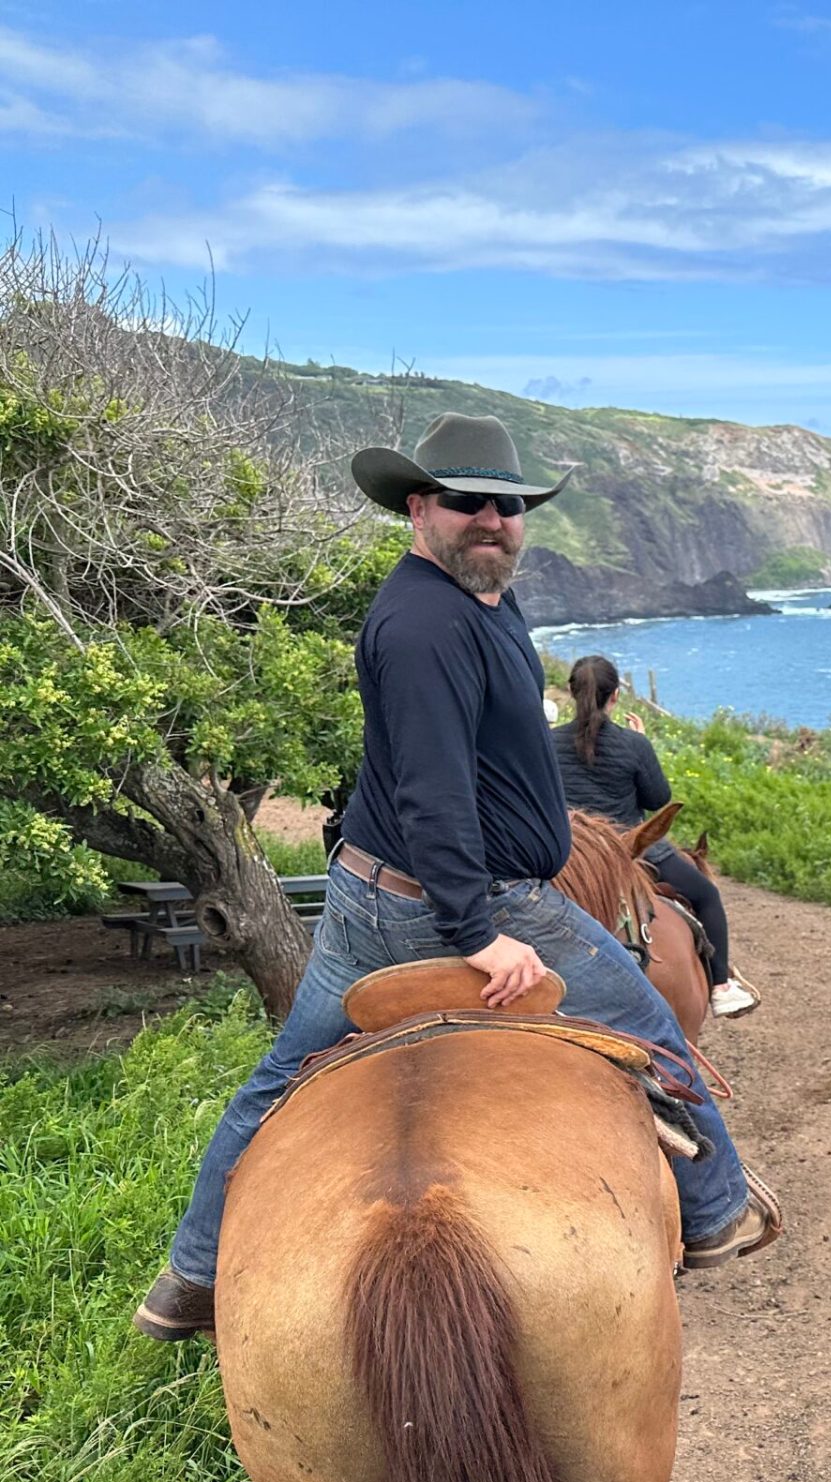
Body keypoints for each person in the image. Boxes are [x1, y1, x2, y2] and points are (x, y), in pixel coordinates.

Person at [133, 414, 779, 1342]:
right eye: (467, 502)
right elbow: (435, 796)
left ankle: (192, 1274)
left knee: (279, 1080)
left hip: (370, 897)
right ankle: (717, 1215)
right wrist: (479, 933)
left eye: (507, 504)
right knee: (652, 1027)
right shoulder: (425, 625)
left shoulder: (482, 597)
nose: (491, 518)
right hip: (461, 901)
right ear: (418, 508)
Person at [552, 653, 758, 1018]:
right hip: (633, 850)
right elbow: (658, 799)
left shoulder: (546, 742)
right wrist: (640, 744)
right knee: (707, 895)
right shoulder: (633, 744)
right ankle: (721, 986)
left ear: (571, 693)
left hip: (569, 855)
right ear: (615, 696)